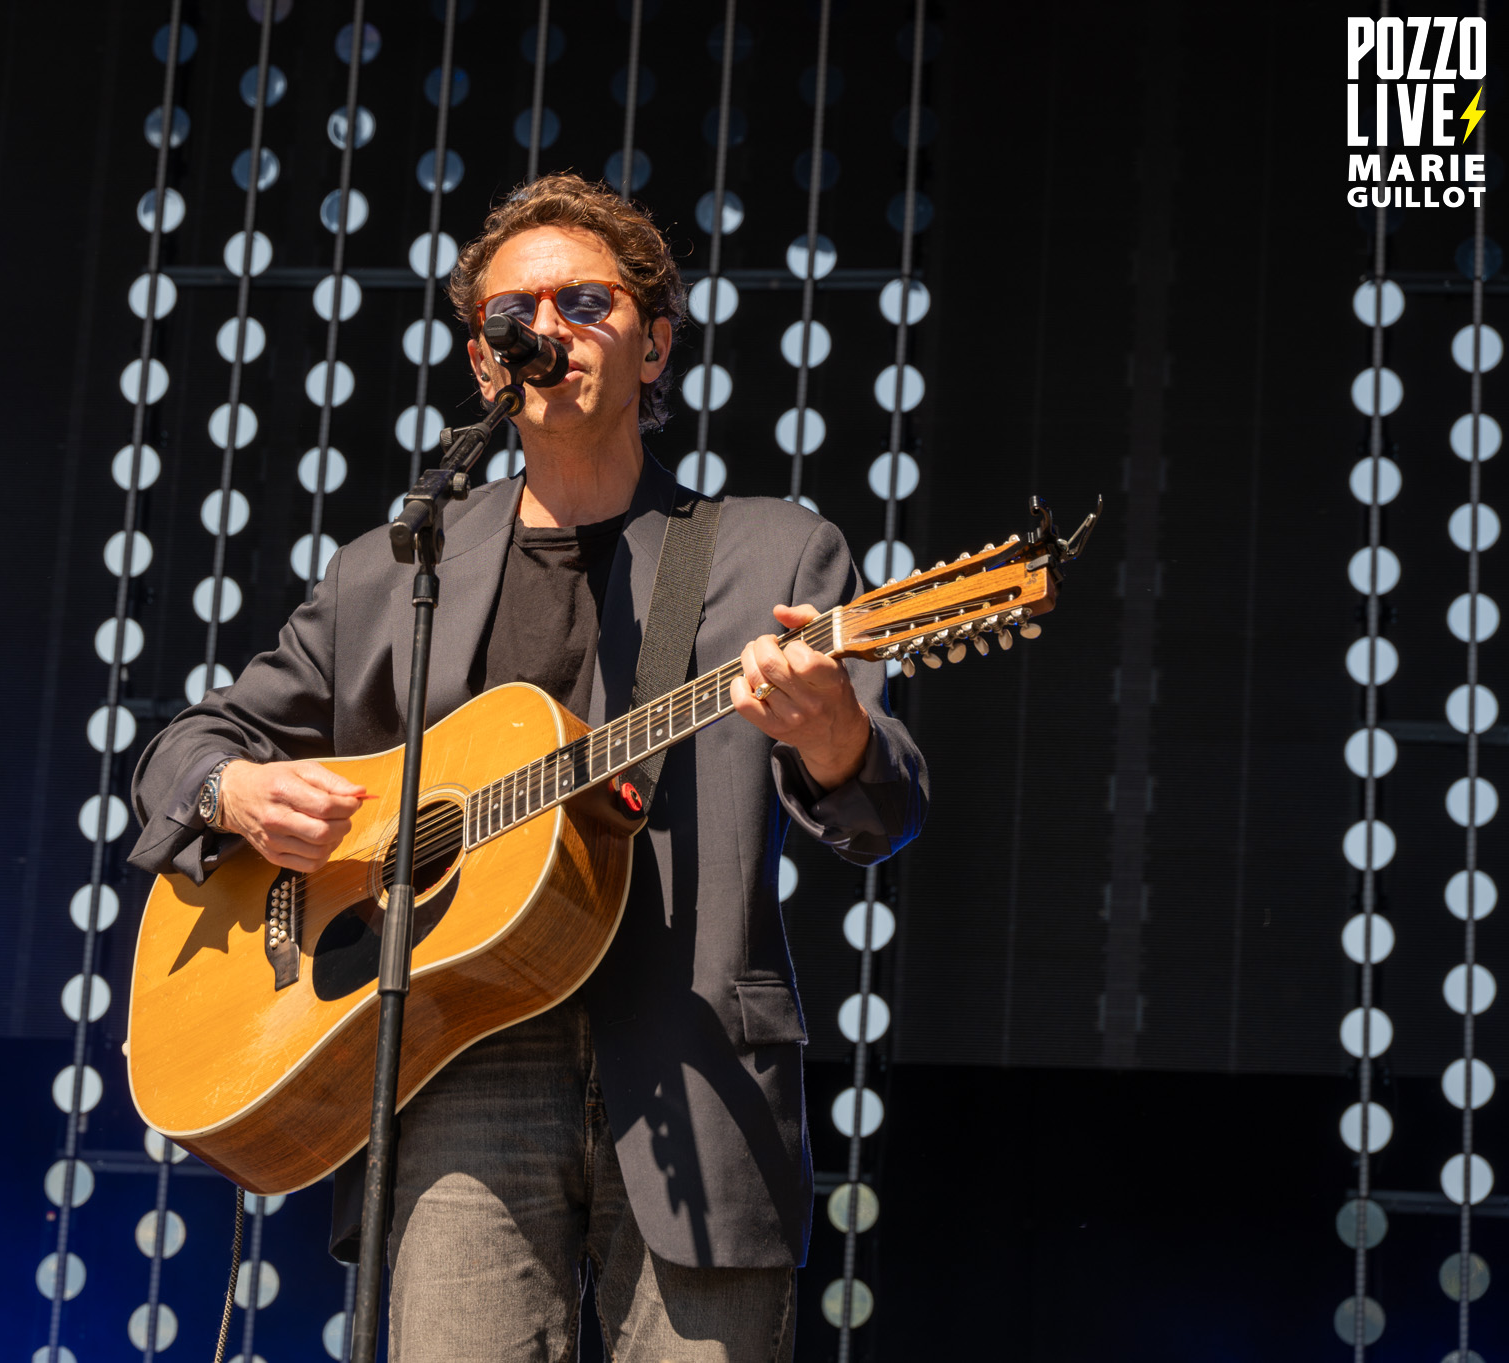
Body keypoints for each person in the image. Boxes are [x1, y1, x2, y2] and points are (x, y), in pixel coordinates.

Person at [127, 173, 926, 1361]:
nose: (545, 331)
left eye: (584, 303)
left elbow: (883, 803)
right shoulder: (388, 570)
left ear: (654, 345)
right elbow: (189, 747)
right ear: (483, 360)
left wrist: (825, 733)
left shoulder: (774, 549)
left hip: (693, 1065)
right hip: (456, 1064)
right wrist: (234, 792)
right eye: (515, 316)